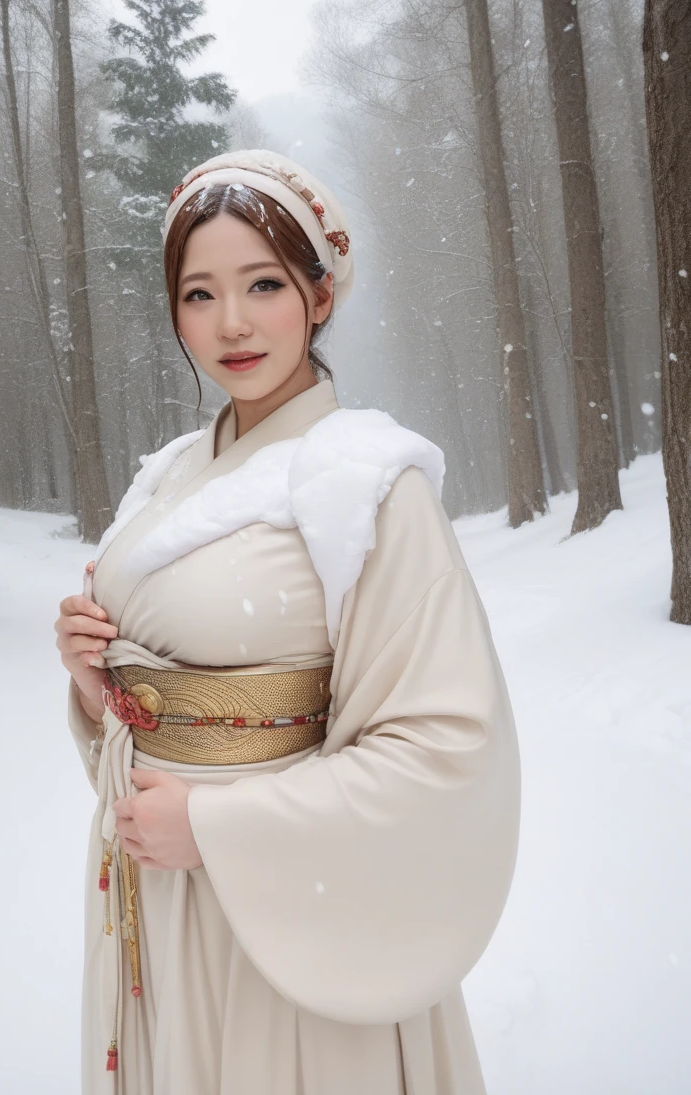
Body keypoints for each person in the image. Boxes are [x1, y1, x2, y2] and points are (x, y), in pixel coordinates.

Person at [55, 149, 521, 1095]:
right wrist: (94, 677)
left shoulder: (363, 482)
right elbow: (159, 705)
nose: (230, 323)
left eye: (263, 283)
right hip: (164, 887)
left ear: (319, 292)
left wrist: (223, 828)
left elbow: (442, 746)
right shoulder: (170, 475)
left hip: (297, 906)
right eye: (198, 293)